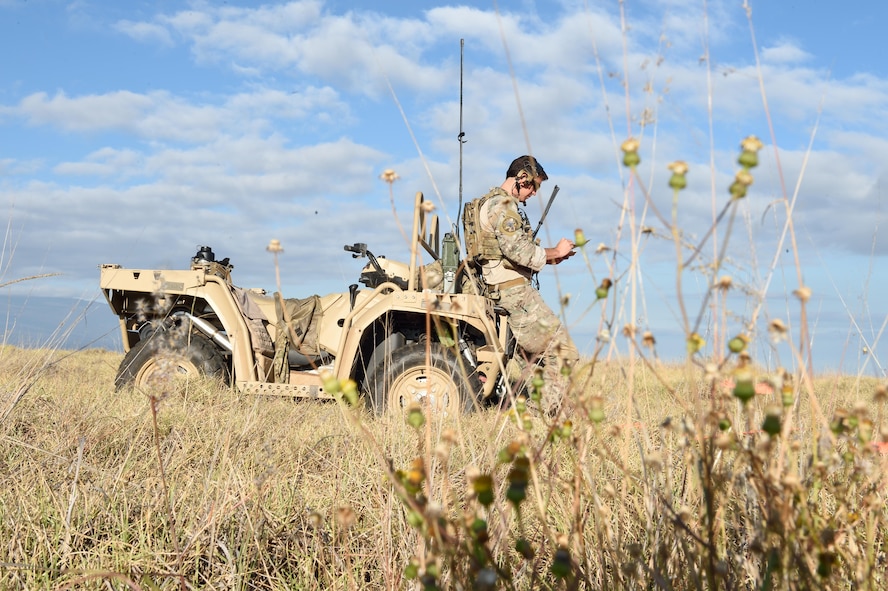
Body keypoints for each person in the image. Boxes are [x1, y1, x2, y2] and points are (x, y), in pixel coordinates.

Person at [465, 155, 580, 413]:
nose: (534, 194)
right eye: (534, 186)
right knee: (564, 352)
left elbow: (505, 253)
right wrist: (556, 251)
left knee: (532, 361)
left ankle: (550, 410)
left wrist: (552, 257)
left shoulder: (488, 203)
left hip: (501, 291)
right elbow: (522, 253)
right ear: (522, 179)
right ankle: (540, 413)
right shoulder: (503, 206)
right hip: (515, 294)